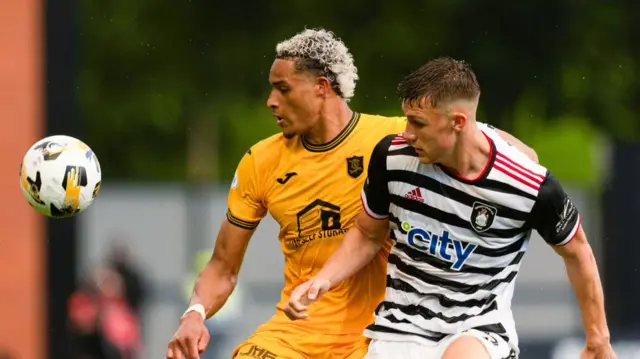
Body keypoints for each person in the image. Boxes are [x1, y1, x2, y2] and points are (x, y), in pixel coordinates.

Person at [166, 29, 537, 359]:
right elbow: (222, 267)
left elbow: (521, 156)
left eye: (282, 88)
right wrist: (194, 313)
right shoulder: (259, 162)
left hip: (381, 336)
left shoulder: (399, 138)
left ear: (322, 88)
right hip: (296, 333)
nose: (270, 101)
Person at [285, 57, 616, 359]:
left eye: (418, 123)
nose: (407, 133)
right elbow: (367, 235)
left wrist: (597, 338)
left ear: (458, 122)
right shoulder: (392, 157)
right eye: (406, 120)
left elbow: (578, 252)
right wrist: (321, 282)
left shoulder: (529, 185)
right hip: (401, 326)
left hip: (478, 327)